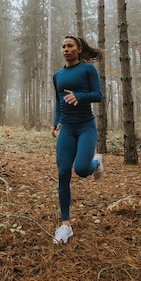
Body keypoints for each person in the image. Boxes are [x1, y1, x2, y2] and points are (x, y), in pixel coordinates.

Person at [50, 35, 104, 244]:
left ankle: (96, 162)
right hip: (67, 128)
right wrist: (56, 122)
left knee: (81, 170)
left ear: (79, 49)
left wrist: (79, 96)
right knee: (63, 172)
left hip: (85, 127)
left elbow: (98, 95)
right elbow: (58, 100)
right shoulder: (57, 75)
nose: (65, 49)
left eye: (70, 46)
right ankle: (65, 225)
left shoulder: (87, 70)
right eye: (63, 46)